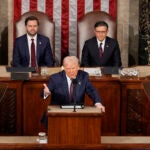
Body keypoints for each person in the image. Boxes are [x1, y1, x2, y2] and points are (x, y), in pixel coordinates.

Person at [41, 56, 105, 127]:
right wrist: (45, 93)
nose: (71, 71)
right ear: (63, 68)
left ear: (78, 67)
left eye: (73, 68)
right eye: (68, 69)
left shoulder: (84, 76)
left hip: (77, 114)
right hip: (57, 114)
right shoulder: (55, 78)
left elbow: (92, 90)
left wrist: (98, 103)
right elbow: (45, 92)